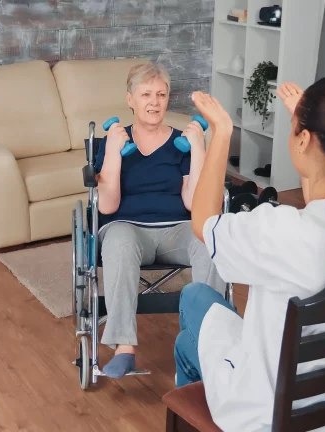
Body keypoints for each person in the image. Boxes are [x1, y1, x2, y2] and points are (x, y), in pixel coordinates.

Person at [173, 76, 325, 431]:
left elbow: (204, 223)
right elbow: (322, 197)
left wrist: (221, 132)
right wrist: (308, 129)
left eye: (296, 130)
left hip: (269, 415)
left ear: (304, 140)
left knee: (193, 302)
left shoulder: (282, 232)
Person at [93, 62, 227, 379]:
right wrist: (112, 151)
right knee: (121, 242)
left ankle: (211, 343)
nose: (154, 102)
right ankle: (124, 349)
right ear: (130, 99)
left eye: (161, 94)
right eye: (146, 94)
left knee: (210, 238)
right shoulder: (112, 142)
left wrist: (198, 151)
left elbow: (194, 204)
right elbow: (108, 206)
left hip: (177, 231)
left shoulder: (183, 142)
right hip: (127, 228)